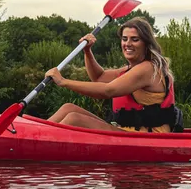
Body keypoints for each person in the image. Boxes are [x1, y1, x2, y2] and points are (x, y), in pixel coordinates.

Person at [44, 17, 181, 132]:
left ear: (146, 43)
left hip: (147, 138)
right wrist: (87, 51)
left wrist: (63, 81)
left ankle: (41, 140)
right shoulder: (131, 69)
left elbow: (108, 90)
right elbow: (99, 77)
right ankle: (37, 133)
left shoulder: (147, 68)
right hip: (128, 132)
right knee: (68, 108)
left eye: (135, 39)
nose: (128, 44)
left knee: (74, 118)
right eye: (124, 39)